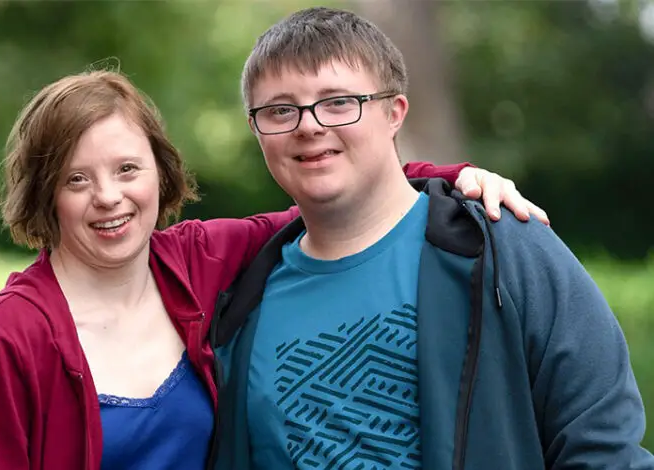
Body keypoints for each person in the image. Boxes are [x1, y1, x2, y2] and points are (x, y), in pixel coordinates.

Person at [0, 70, 545, 470]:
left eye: (127, 169)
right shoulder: (7, 334)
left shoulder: (203, 260)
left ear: (160, 171)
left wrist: (455, 177)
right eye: (77, 179)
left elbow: (332, 198)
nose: (109, 197)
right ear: (45, 195)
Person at [209, 6, 654, 470]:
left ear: (394, 112)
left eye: (338, 102)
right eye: (280, 110)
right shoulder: (240, 303)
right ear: (256, 130)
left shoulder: (501, 248)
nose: (308, 125)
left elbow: (604, 447)